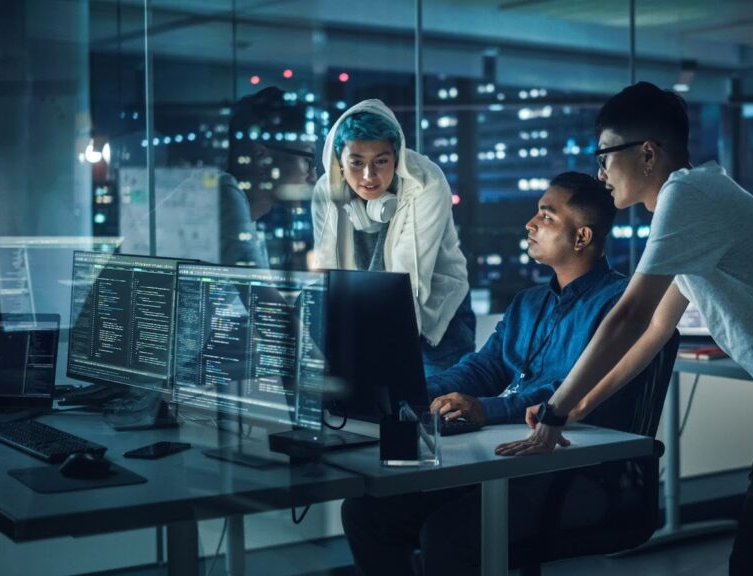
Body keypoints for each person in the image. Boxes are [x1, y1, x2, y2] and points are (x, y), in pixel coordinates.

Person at [495, 82, 753, 576]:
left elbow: (629, 316)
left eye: (605, 155)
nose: (600, 172)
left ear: (647, 153)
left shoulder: (687, 196)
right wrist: (580, 406)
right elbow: (654, 328)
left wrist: (555, 411)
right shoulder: (697, 198)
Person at [341, 172, 627, 576]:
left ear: (581, 237)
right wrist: (408, 390)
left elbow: (569, 391)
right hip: (505, 458)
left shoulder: (619, 305)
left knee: (448, 533)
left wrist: (485, 410)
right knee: (368, 511)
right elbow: (483, 368)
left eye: (545, 216)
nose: (529, 224)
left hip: (572, 471)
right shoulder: (528, 302)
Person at [311, 99, 474, 375]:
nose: (369, 176)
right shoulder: (326, 193)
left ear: (396, 158)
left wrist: (382, 352)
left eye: (381, 161)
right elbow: (329, 273)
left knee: (438, 411)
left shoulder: (426, 184)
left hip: (438, 317)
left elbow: (409, 280)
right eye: (356, 162)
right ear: (340, 162)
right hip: (367, 316)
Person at [222, 86, 317, 267]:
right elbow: (260, 293)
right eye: (307, 160)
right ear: (262, 158)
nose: (313, 177)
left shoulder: (250, 218)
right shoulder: (226, 196)